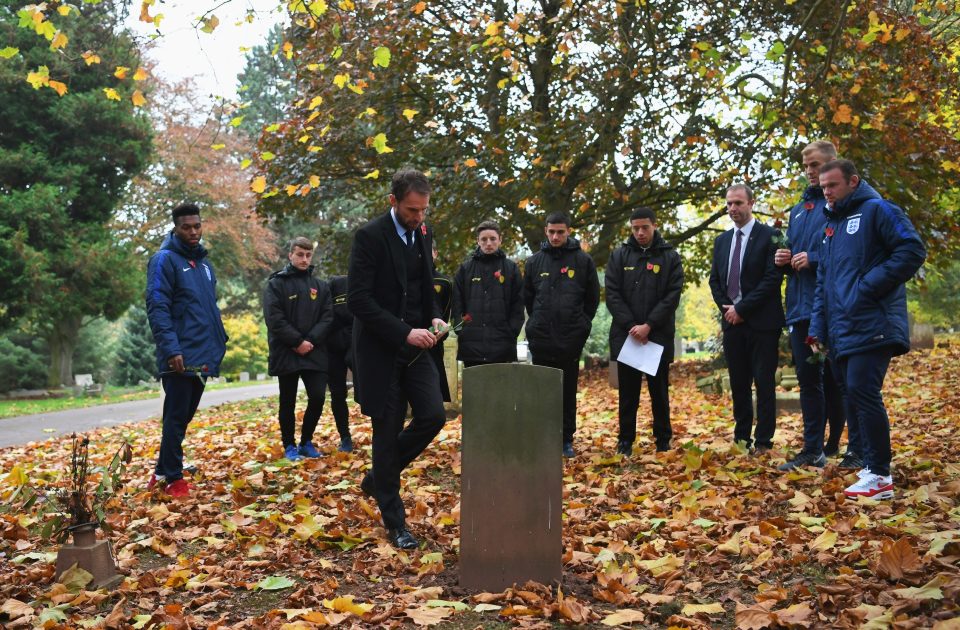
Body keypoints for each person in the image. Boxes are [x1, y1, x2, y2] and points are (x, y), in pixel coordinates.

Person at [810, 159, 925, 500]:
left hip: (872, 322)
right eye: (822, 187)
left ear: (853, 181)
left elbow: (912, 249)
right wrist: (817, 329)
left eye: (832, 185)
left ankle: (879, 475)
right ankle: (872, 464)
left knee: (863, 392)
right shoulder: (829, 227)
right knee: (854, 395)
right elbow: (823, 284)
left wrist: (867, 286)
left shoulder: (878, 210)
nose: (826, 192)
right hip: (841, 329)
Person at [348, 168, 448, 549]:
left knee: (432, 416)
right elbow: (359, 300)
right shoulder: (369, 237)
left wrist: (436, 314)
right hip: (379, 351)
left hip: (418, 347)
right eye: (411, 210)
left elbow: (427, 285)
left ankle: (379, 475)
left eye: (423, 210)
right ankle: (395, 522)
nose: (418, 218)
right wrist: (403, 330)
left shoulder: (423, 232)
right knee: (386, 433)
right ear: (393, 201)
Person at [145, 203, 228, 499]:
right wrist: (171, 349)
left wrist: (220, 342)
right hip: (179, 354)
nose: (193, 232)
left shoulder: (204, 265)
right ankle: (174, 479)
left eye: (197, 226)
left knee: (181, 417)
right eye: (186, 227)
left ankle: (159, 473)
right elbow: (157, 306)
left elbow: (207, 309)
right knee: (177, 417)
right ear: (176, 228)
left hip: (203, 353)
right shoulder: (164, 260)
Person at [775, 141, 848, 471]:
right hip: (800, 308)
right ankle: (812, 448)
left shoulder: (842, 204)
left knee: (840, 380)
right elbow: (793, 249)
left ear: (833, 164)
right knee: (808, 380)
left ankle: (847, 446)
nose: (810, 171)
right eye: (806, 166)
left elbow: (848, 252)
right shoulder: (797, 210)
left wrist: (815, 259)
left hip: (833, 306)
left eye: (816, 164)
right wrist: (783, 258)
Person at [708, 184, 785, 452]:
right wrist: (728, 309)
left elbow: (772, 279)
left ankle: (764, 440)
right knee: (739, 384)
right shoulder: (722, 241)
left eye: (738, 203)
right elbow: (715, 281)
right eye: (729, 204)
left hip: (763, 323)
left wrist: (742, 309)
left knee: (764, 383)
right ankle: (742, 438)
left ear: (751, 203)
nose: (733, 209)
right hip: (732, 325)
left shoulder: (770, 236)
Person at [605, 207, 684, 456]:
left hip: (657, 336)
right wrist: (632, 326)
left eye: (645, 228)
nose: (640, 233)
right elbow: (612, 294)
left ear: (654, 226)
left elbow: (672, 296)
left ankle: (663, 440)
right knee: (628, 394)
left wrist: (649, 325)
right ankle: (625, 441)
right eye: (635, 228)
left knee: (659, 392)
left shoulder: (670, 256)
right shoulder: (619, 256)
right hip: (627, 336)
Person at [523, 212, 600, 458]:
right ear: (546, 231)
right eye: (551, 232)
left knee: (567, 391)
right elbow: (528, 299)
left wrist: (581, 327)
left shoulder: (583, 261)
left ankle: (566, 439)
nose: (556, 236)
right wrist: (535, 325)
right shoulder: (534, 262)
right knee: (543, 391)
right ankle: (544, 438)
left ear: (568, 232)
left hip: (570, 338)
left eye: (561, 232)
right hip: (542, 338)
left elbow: (592, 299)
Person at [263, 237, 334, 461]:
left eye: (308, 255)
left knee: (317, 397)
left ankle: (306, 442)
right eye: (300, 254)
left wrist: (310, 341)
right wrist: (296, 342)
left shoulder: (321, 286)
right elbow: (274, 318)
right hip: (287, 352)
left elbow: (328, 316)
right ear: (290, 255)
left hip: (315, 351)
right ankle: (289, 446)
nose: (304, 259)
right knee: (288, 401)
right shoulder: (276, 284)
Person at [452, 219, 525, 367]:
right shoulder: (465, 269)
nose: (488, 243)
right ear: (477, 241)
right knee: (475, 389)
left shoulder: (511, 269)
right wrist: (462, 330)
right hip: (472, 345)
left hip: (502, 345)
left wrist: (511, 331)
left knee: (501, 389)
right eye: (484, 239)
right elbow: (457, 303)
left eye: (493, 239)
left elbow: (518, 305)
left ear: (500, 240)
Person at [326, 274, 354, 452]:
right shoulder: (332, 286)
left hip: (356, 343)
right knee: (337, 393)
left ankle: (380, 432)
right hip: (332, 347)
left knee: (369, 390)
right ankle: (345, 437)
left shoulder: (362, 282)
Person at [429, 241, 453, 402]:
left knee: (432, 395)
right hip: (407, 341)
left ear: (435, 253)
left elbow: (446, 312)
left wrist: (439, 334)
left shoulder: (444, 282)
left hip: (434, 344)